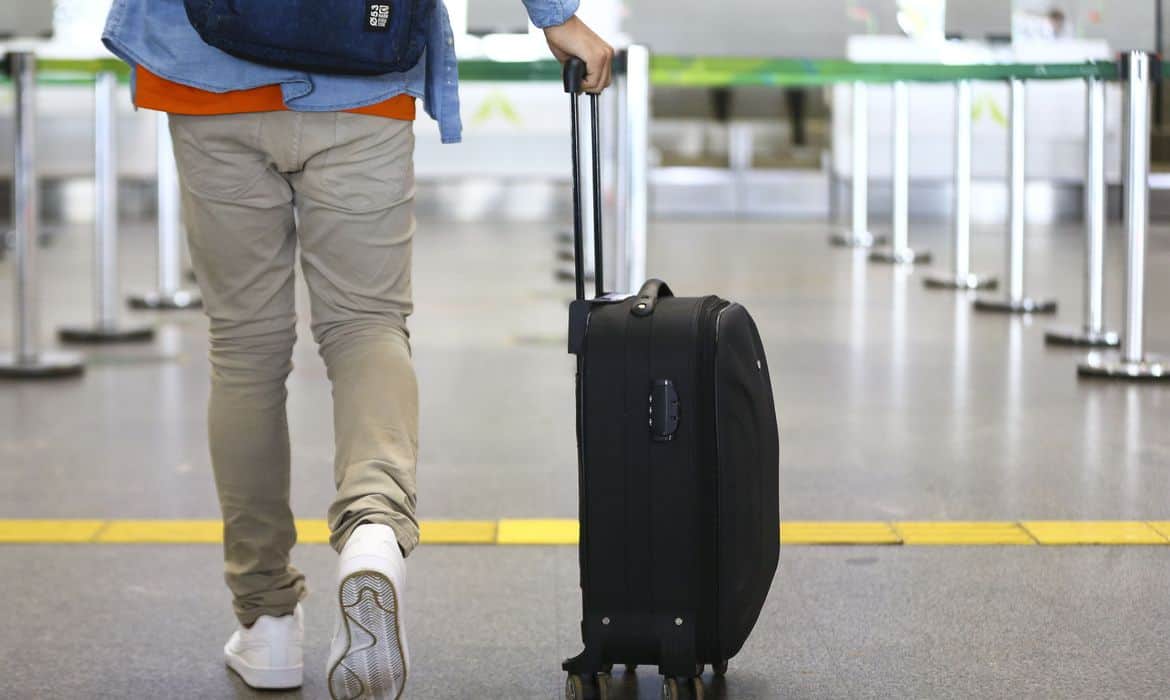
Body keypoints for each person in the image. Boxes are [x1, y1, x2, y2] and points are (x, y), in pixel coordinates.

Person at [102, 1, 614, 697]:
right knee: (367, 326)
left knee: (246, 350)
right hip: (365, 71)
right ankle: (374, 527)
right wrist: (555, 16)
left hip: (205, 70)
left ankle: (267, 621)